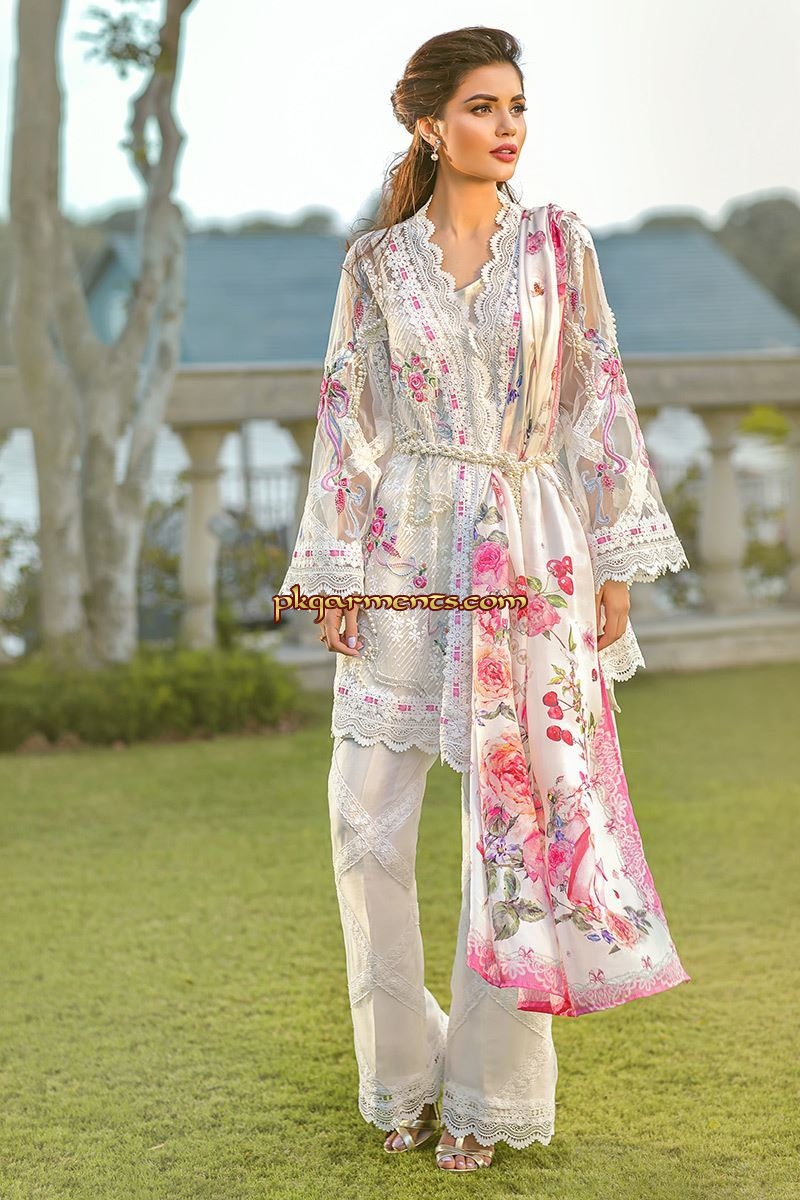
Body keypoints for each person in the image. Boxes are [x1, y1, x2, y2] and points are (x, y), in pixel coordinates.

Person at [276, 26, 691, 1174]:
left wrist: (614, 559)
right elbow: (344, 418)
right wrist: (332, 572)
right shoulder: (374, 262)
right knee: (363, 821)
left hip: (527, 546)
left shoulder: (559, 245)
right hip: (405, 550)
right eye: (480, 107)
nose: (506, 127)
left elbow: (597, 398)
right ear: (427, 123)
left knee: (510, 823)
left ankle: (486, 1092)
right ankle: (400, 1071)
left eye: (515, 106)